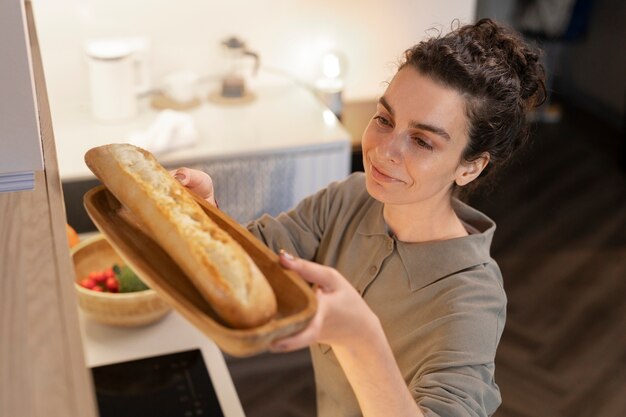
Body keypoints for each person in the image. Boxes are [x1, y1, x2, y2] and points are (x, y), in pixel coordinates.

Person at [172, 18, 546, 417]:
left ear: (470, 167)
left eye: (422, 141)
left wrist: (360, 337)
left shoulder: (471, 298)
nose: (385, 151)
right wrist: (204, 215)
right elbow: (253, 263)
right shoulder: (350, 198)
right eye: (384, 119)